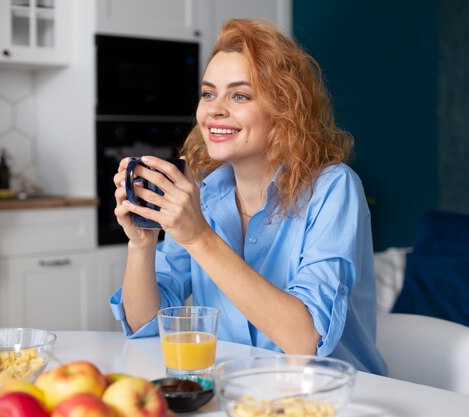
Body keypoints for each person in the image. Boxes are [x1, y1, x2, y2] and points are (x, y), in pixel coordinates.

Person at [109, 18, 387, 375]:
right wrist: (142, 244)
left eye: (239, 95)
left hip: (330, 398)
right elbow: (147, 324)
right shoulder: (204, 195)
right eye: (208, 93)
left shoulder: (333, 188)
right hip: (237, 392)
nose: (214, 110)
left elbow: (305, 341)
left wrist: (199, 238)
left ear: (285, 110)